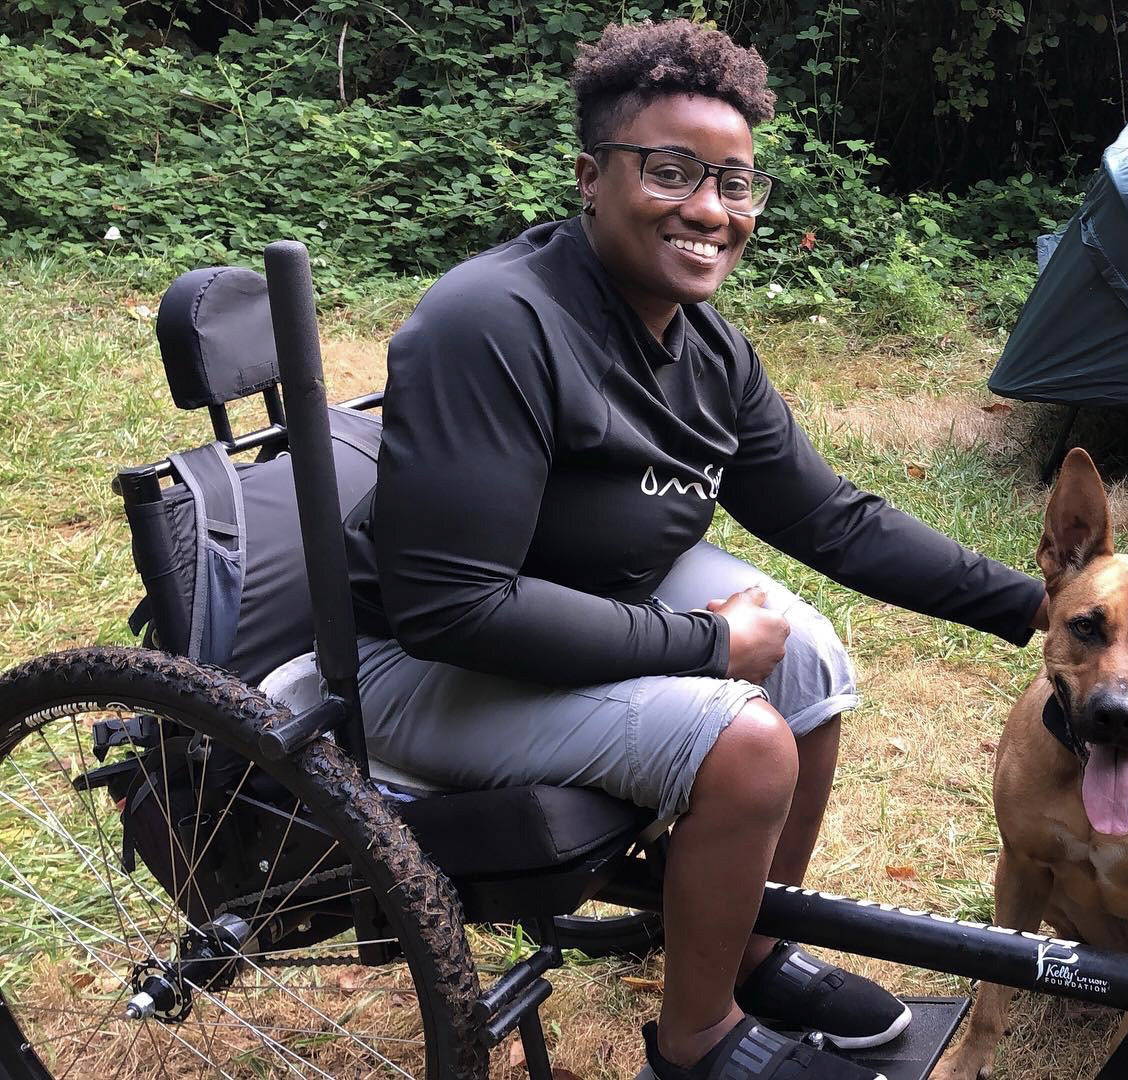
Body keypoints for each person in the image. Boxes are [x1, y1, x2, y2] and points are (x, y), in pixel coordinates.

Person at [345, 20, 1048, 1080]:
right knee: (748, 736)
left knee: (806, 653)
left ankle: (752, 950)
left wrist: (1042, 604)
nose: (712, 210)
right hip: (414, 666)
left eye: (735, 181)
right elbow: (453, 609)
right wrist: (699, 646)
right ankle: (699, 1045)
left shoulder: (704, 342)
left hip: (571, 609)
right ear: (592, 176)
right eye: (671, 172)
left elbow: (828, 518)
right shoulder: (492, 324)